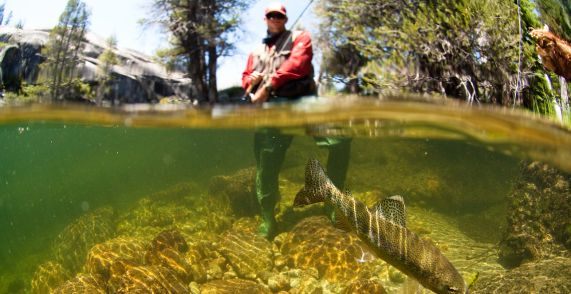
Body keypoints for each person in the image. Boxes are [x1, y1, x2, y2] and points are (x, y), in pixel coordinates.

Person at [242, 2, 351, 239]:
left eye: (279, 16)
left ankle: (332, 202)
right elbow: (246, 79)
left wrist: (269, 83)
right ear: (265, 20)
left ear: (285, 18)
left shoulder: (301, 38)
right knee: (266, 163)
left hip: (305, 104)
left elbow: (298, 65)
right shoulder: (256, 52)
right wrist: (252, 81)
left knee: (340, 139)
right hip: (273, 112)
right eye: (270, 16)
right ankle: (268, 216)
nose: (275, 19)